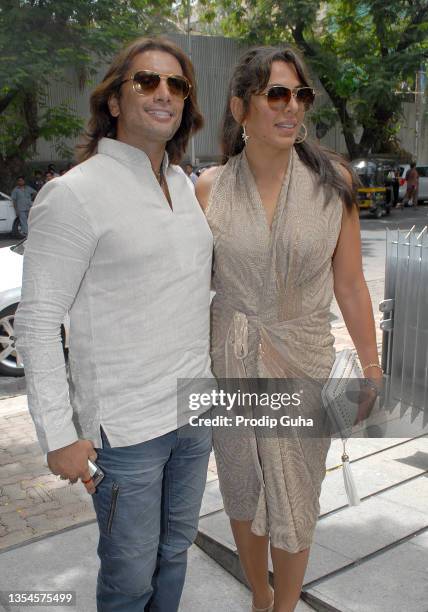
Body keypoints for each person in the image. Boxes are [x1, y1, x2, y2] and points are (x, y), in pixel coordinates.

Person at [15, 36, 213, 612]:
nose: (164, 94)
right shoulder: (73, 195)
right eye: (146, 81)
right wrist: (58, 435)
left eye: (176, 85)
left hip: (194, 412)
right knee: (130, 579)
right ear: (115, 102)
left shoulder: (182, 184)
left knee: (174, 553)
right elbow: (37, 323)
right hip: (126, 435)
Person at [196, 46, 382, 612]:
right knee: (242, 484)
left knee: (296, 487)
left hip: (302, 358)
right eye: (276, 94)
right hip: (229, 357)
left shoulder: (334, 185)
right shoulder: (208, 188)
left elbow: (350, 285)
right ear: (239, 107)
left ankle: (285, 605)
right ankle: (259, 594)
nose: (292, 108)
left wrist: (371, 367)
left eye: (301, 96)